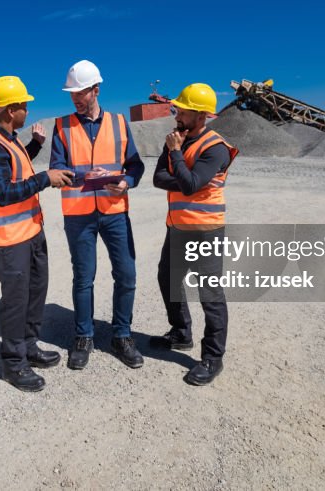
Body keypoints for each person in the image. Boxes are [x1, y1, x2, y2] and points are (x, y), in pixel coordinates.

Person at [0, 75, 74, 392]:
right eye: (23, 106)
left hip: (30, 233)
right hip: (9, 240)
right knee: (16, 301)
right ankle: (13, 364)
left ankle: (29, 347)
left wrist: (36, 145)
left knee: (35, 293)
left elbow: (16, 165)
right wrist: (46, 178)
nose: (27, 110)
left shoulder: (10, 140)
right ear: (8, 109)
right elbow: (3, 192)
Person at [50, 60, 146, 369]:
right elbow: (57, 170)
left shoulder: (119, 123)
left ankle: (122, 335)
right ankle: (84, 336)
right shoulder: (62, 126)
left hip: (114, 211)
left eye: (81, 91)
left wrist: (125, 180)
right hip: (78, 214)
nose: (75, 98)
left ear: (96, 89)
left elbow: (136, 165)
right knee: (84, 278)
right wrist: (85, 174)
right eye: (72, 93)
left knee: (127, 275)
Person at [151, 83, 238, 386]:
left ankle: (213, 358)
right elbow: (158, 178)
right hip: (177, 227)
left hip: (205, 231)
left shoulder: (215, 148)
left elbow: (190, 184)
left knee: (209, 294)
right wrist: (178, 165)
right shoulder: (177, 138)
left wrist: (175, 155)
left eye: (183, 110)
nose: (176, 113)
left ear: (200, 116)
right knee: (168, 280)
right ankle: (181, 332)